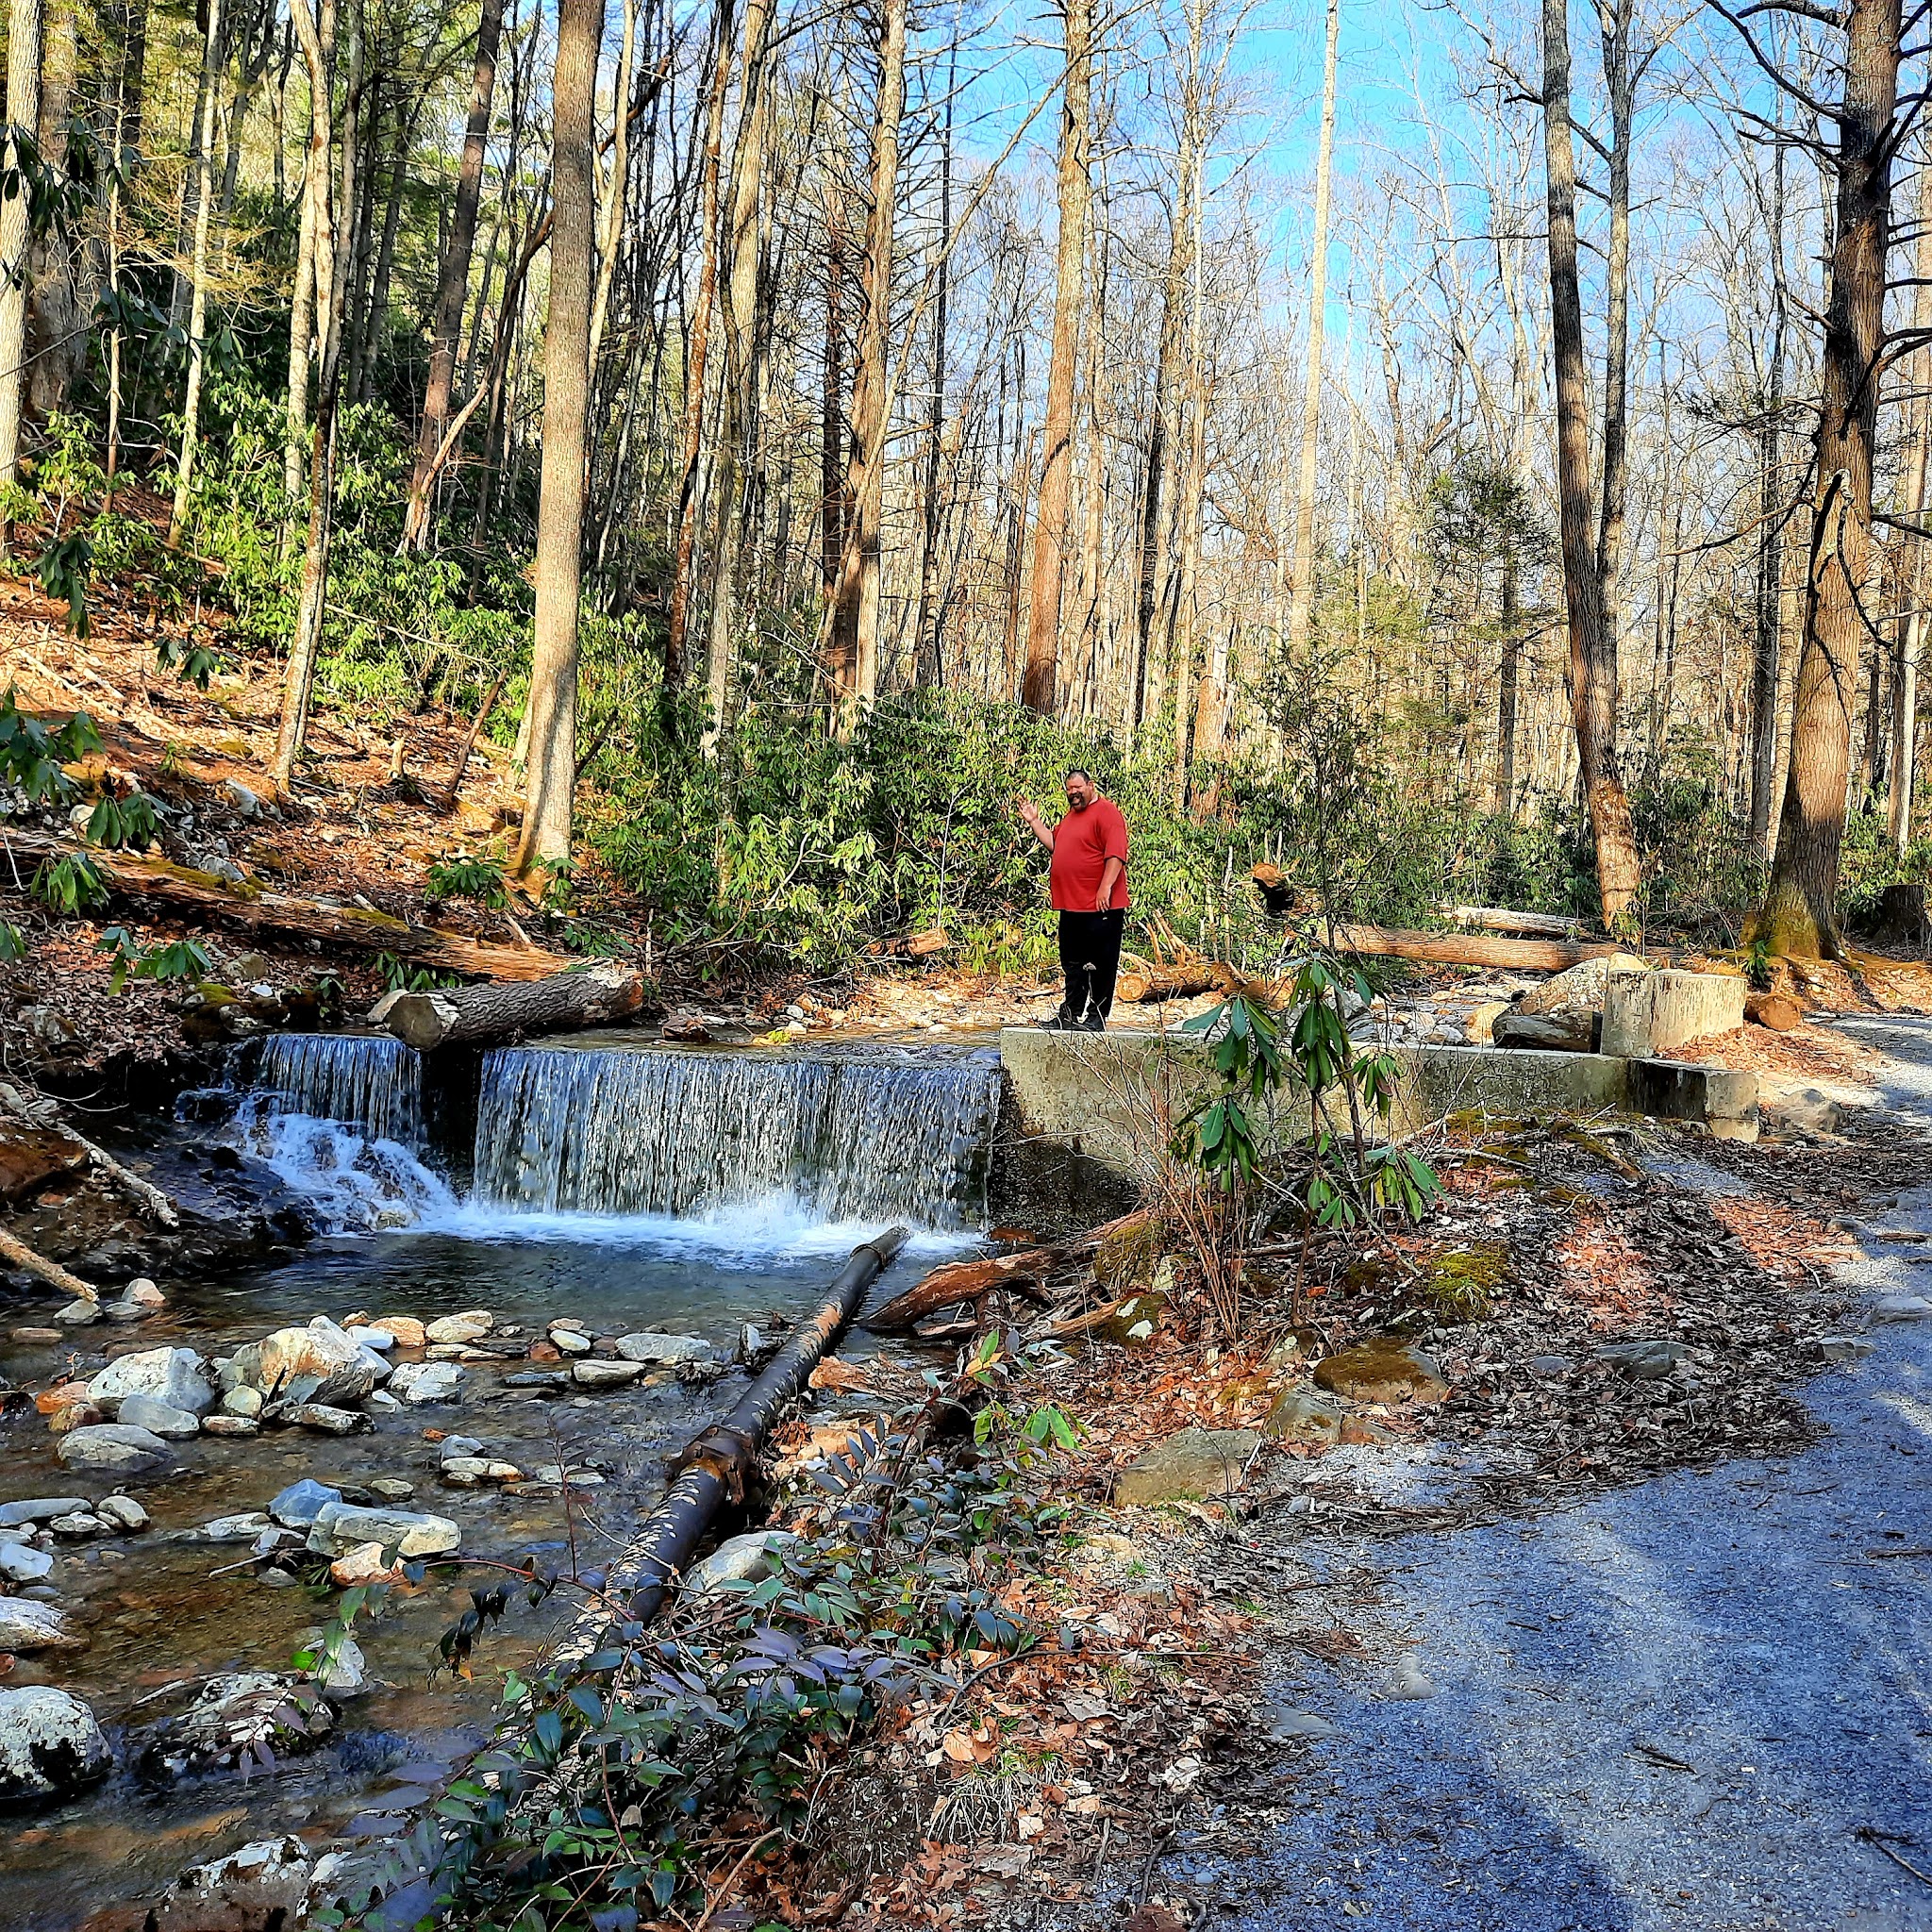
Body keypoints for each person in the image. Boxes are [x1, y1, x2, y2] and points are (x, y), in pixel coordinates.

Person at [1019, 770, 1130, 1031]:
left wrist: (1105, 887)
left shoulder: (1107, 813)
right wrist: (1034, 821)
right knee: (1072, 964)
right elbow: (1056, 845)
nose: (1073, 793)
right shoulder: (1070, 818)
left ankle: (1096, 1018)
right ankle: (1068, 1015)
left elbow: (1116, 853)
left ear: (1090, 786)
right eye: (1069, 789)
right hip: (1071, 906)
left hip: (1101, 906)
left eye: (1078, 787)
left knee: (1102, 965)